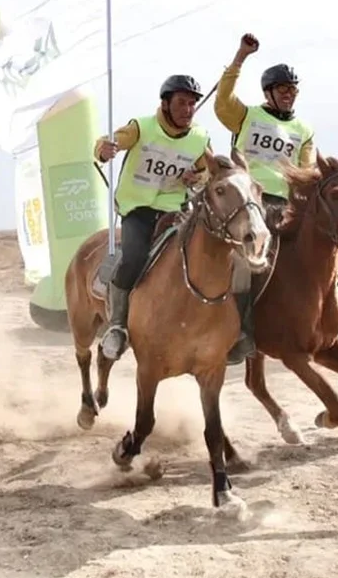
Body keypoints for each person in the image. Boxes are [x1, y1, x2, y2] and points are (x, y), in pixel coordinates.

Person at [97, 74, 231, 362]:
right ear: (166, 104)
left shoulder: (199, 138)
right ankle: (117, 324)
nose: (188, 109)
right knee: (134, 257)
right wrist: (105, 149)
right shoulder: (141, 127)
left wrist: (195, 177)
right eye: (182, 103)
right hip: (138, 209)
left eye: (193, 104)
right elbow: (112, 142)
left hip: (176, 210)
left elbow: (206, 172)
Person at [215, 33, 315, 217]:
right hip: (245, 196)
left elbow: (306, 173)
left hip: (282, 204)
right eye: (282, 88)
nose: (288, 94)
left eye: (293, 89)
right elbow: (223, 99)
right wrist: (241, 56)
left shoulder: (305, 130)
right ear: (267, 93)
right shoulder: (246, 115)